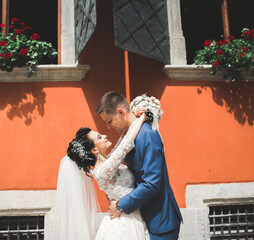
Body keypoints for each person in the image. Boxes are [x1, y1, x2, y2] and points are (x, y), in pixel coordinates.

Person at [47, 112, 149, 240]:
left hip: (130, 216)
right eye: (100, 137)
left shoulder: (107, 162)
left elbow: (122, 139)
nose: (105, 136)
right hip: (124, 223)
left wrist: (133, 115)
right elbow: (126, 143)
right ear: (94, 150)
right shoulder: (103, 170)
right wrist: (144, 116)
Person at [96, 92, 183, 240]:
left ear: (121, 112)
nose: (108, 127)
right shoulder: (131, 134)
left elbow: (152, 183)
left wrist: (120, 205)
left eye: (109, 121)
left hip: (160, 220)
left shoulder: (146, 135)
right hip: (142, 217)